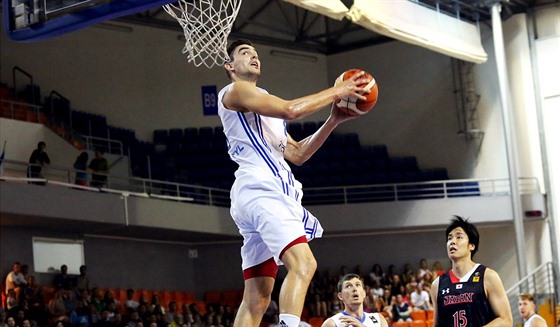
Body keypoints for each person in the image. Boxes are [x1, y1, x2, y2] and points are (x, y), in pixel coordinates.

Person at [218, 39, 370, 327]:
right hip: (260, 189)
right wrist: (339, 90)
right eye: (244, 53)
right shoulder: (236, 91)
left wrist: (333, 119)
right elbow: (292, 110)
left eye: (256, 52)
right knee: (303, 264)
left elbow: (297, 154)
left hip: (259, 195)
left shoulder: (263, 105)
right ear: (230, 66)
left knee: (258, 298)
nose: (254, 56)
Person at [430, 216, 513, 326]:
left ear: (472, 245)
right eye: (449, 238)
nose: (452, 242)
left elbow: (506, 320)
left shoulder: (488, 276)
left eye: (459, 237)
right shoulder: (437, 284)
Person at [321, 274, 388, 327]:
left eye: (358, 285)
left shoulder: (378, 318)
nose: (354, 289)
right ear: (340, 296)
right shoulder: (332, 323)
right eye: (348, 286)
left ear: (364, 293)